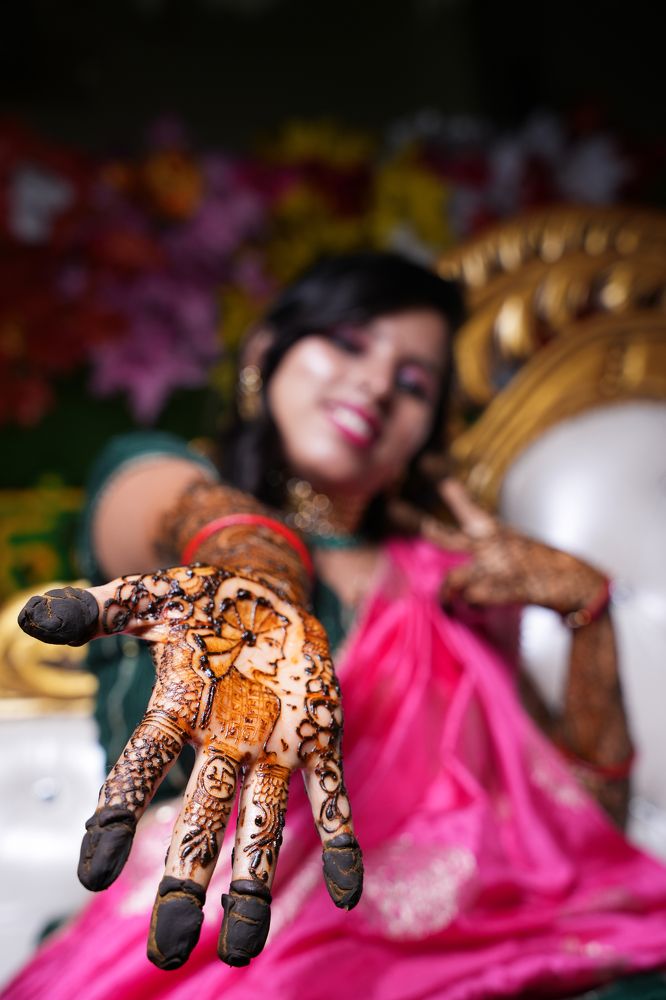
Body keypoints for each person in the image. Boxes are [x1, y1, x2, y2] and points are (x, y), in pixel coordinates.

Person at [6, 252, 666, 999]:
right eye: (349, 342)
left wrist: (588, 614)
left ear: (426, 436)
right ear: (266, 354)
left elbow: (580, 833)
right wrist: (256, 570)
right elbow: (186, 512)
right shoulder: (157, 477)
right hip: (206, 941)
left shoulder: (444, 588)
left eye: (413, 383)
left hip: (472, 946)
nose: (377, 384)